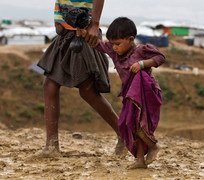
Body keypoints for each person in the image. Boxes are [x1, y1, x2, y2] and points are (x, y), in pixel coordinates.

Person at [37, 0, 126, 156]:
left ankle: (124, 135)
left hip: (82, 34)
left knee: (87, 90)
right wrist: (58, 21)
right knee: (50, 84)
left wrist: (95, 24)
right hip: (65, 34)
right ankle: (51, 146)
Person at [78, 17, 166, 169]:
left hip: (145, 94)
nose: (114, 48)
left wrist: (142, 64)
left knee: (140, 125)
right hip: (130, 96)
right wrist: (84, 33)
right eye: (112, 44)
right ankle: (139, 160)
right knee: (130, 126)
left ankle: (153, 146)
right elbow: (98, 44)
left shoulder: (141, 51)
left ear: (131, 39)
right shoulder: (114, 52)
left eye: (118, 44)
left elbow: (160, 57)